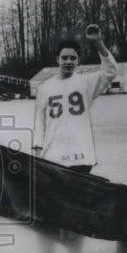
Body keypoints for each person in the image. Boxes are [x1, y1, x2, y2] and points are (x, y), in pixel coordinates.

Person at [32, 24, 118, 173]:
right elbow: (39, 123)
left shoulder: (86, 83)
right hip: (54, 157)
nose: (68, 62)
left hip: (81, 156)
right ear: (57, 59)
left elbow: (111, 71)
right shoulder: (44, 88)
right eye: (64, 58)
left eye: (73, 58)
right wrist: (37, 151)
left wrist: (98, 42)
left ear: (78, 61)